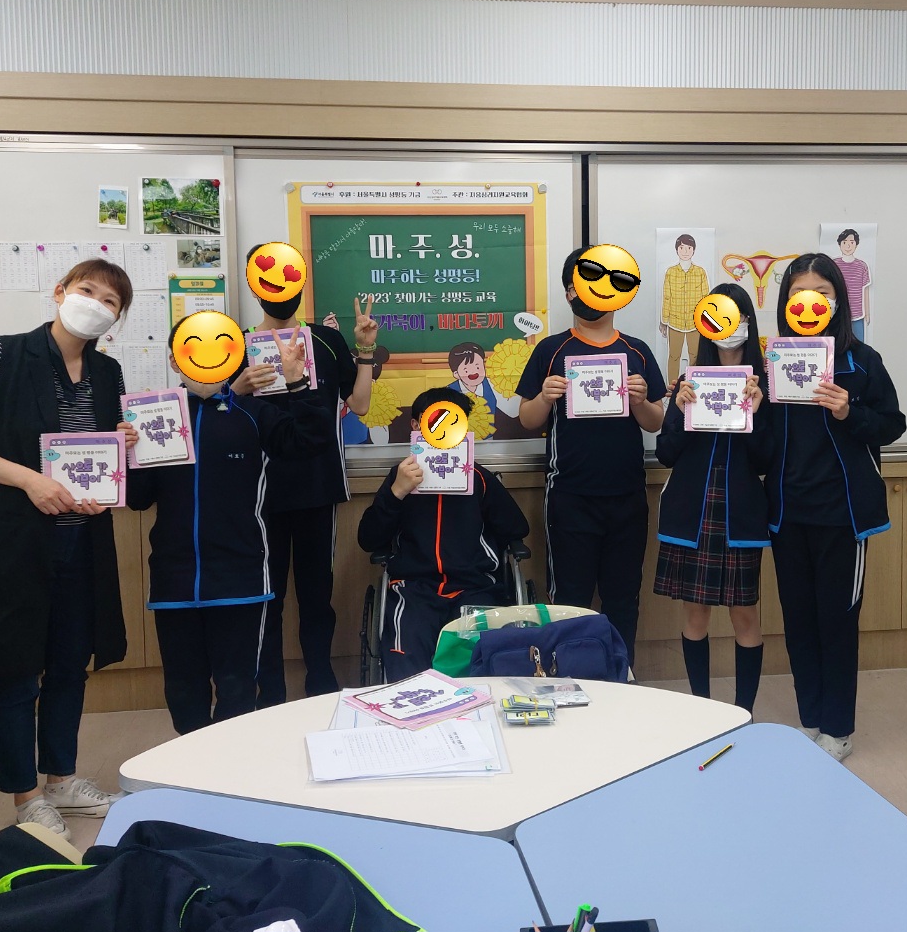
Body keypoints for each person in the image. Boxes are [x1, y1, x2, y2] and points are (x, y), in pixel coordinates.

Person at [0, 259, 138, 841]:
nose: (95, 304)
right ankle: (26, 796)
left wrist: (120, 444)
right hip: (16, 539)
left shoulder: (107, 372)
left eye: (110, 301)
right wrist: (31, 480)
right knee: (18, 668)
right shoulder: (2, 354)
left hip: (82, 538)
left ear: (117, 319)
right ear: (60, 292)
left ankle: (60, 781)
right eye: (87, 290)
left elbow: (97, 455)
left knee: (71, 665)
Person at [126, 316, 331, 734]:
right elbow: (138, 498)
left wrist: (297, 383)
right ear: (175, 359)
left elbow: (311, 442)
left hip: (242, 580)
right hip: (174, 581)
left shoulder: (253, 413)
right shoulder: (154, 418)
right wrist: (128, 453)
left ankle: (228, 767)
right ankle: (191, 766)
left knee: (238, 691)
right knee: (183, 692)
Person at [769, 253, 905, 762]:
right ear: (786, 303)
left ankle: (838, 728)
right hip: (787, 513)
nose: (810, 302)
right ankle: (811, 719)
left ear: (837, 300)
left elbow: (893, 425)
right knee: (798, 620)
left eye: (822, 293)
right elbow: (762, 445)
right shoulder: (774, 361)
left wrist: (850, 411)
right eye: (798, 293)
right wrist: (748, 404)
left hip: (842, 515)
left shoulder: (861, 360)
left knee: (837, 621)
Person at [230, 262, 378, 703]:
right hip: (258, 492)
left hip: (317, 484)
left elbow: (360, 405)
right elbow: (216, 416)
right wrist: (236, 388)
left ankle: (321, 684)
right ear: (256, 289)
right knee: (267, 598)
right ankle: (270, 694)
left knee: (317, 596)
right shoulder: (236, 344)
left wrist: (366, 349)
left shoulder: (326, 340)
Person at [517, 247, 667, 664]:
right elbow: (527, 419)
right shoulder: (551, 349)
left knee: (623, 598)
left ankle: (621, 677)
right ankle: (569, 680)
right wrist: (545, 397)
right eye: (578, 286)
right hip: (569, 497)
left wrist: (639, 401)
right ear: (569, 292)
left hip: (628, 496)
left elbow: (655, 421)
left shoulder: (636, 351)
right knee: (570, 600)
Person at [357, 388, 530, 681]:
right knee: (406, 657)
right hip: (414, 588)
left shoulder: (479, 478)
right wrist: (397, 493)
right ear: (416, 426)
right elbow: (369, 539)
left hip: (474, 586)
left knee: (481, 658)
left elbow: (516, 529)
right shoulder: (399, 477)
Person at [654, 282, 770, 715]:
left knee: (745, 615)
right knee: (696, 614)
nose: (729, 326)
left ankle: (744, 712)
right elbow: (666, 453)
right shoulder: (690, 380)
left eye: (737, 316)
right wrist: (681, 410)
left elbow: (768, 459)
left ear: (748, 322)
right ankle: (702, 709)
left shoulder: (765, 382)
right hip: (693, 507)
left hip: (740, 509)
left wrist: (758, 412)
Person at [660, 233, 711, 383]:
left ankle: (695, 386)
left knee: (695, 355)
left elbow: (706, 298)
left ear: (693, 250)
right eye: (682, 247)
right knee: (673, 355)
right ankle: (671, 389)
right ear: (677, 249)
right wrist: (664, 321)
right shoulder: (670, 272)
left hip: (695, 322)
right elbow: (667, 297)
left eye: (689, 248)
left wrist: (706, 322)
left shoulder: (700, 272)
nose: (685, 251)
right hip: (674, 321)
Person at [835, 228, 871, 343]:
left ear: (856, 244)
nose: (848, 246)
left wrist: (867, 313)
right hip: (838, 314)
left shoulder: (862, 266)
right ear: (840, 244)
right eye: (845, 242)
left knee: (859, 345)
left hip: (857, 315)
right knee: (838, 345)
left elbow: (865, 290)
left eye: (851, 242)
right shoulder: (834, 264)